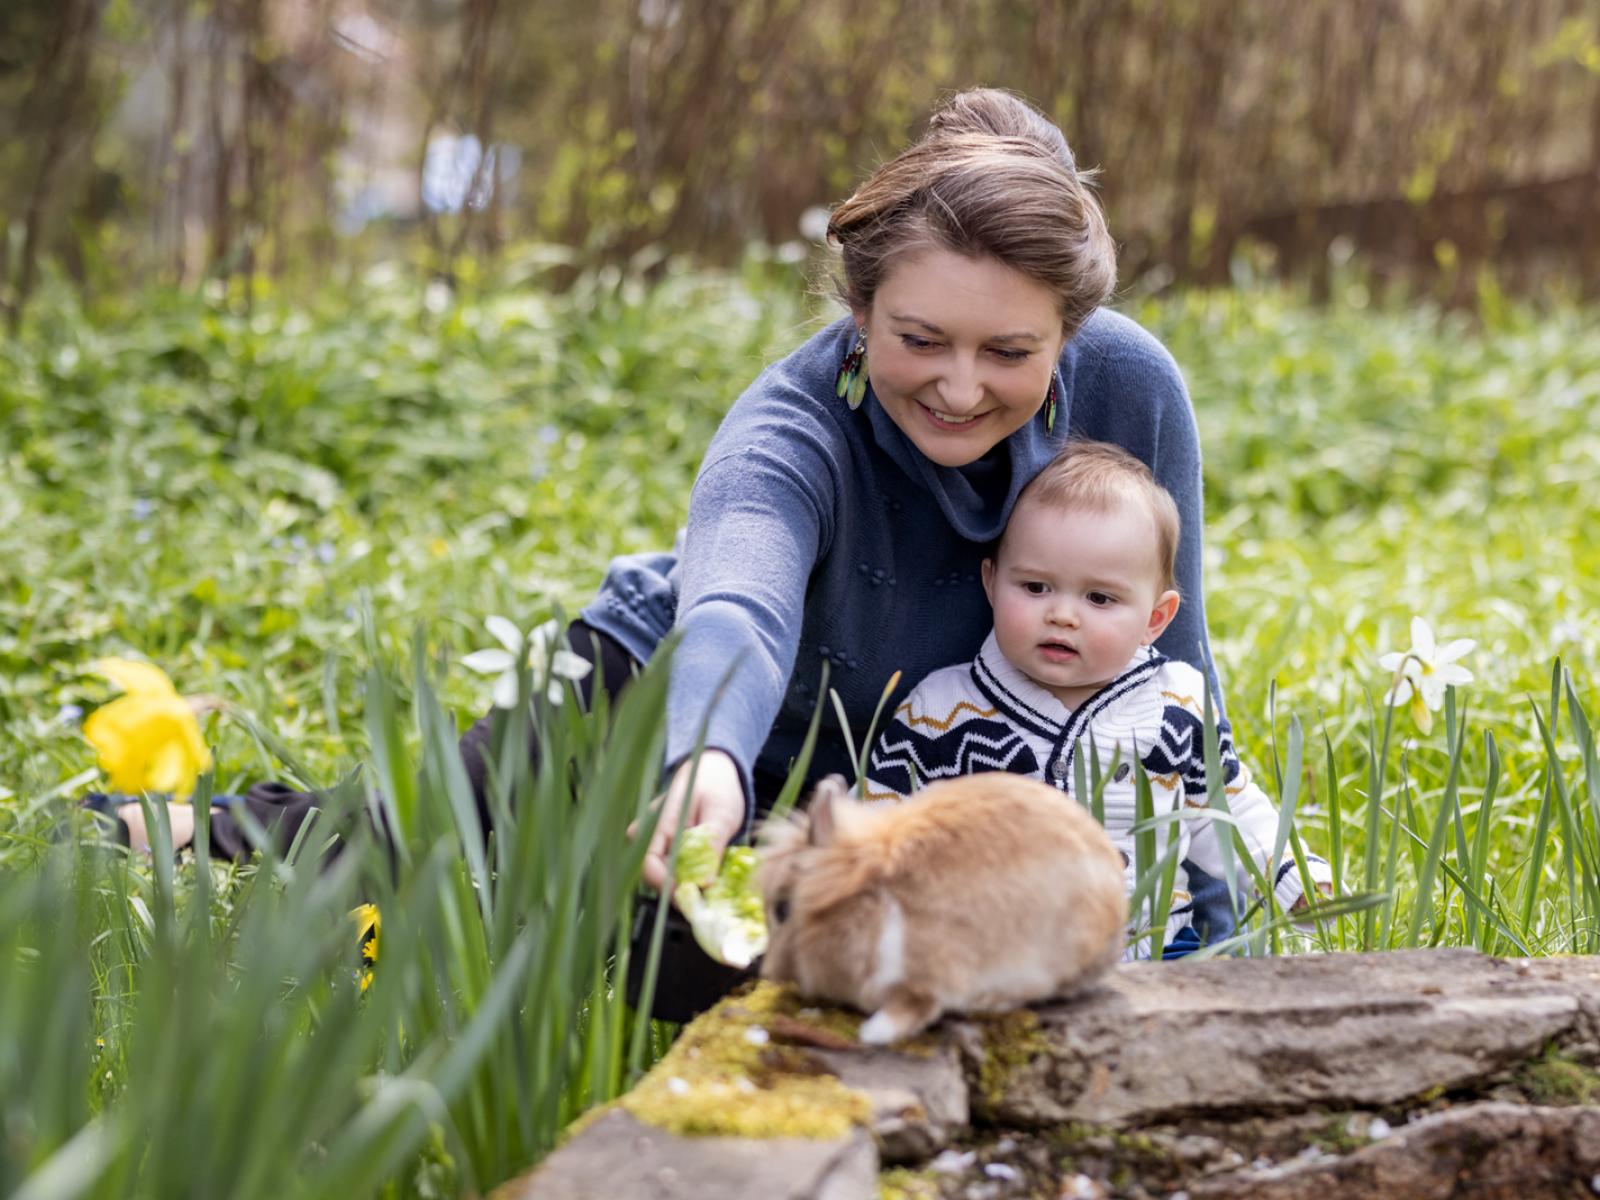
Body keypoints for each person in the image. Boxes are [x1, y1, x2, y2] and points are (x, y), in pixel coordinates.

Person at [114, 86, 1219, 957]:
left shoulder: (1129, 386)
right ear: (858, 309)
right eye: (919, 339)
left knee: (691, 953)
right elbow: (732, 605)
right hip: (663, 704)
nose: (962, 387)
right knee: (415, 833)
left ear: (1071, 333)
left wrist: (1207, 862)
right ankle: (166, 829)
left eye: (1011, 353)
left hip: (865, 776)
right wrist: (703, 761)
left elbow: (1170, 650)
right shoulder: (787, 430)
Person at [862, 439, 1333, 954]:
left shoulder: (1176, 704)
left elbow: (1227, 810)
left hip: (1158, 947)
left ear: (1155, 619)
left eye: (1099, 598)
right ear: (992, 583)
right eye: (1036, 587)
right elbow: (883, 819)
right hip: (998, 958)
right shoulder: (944, 711)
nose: (1063, 615)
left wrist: (1294, 880)